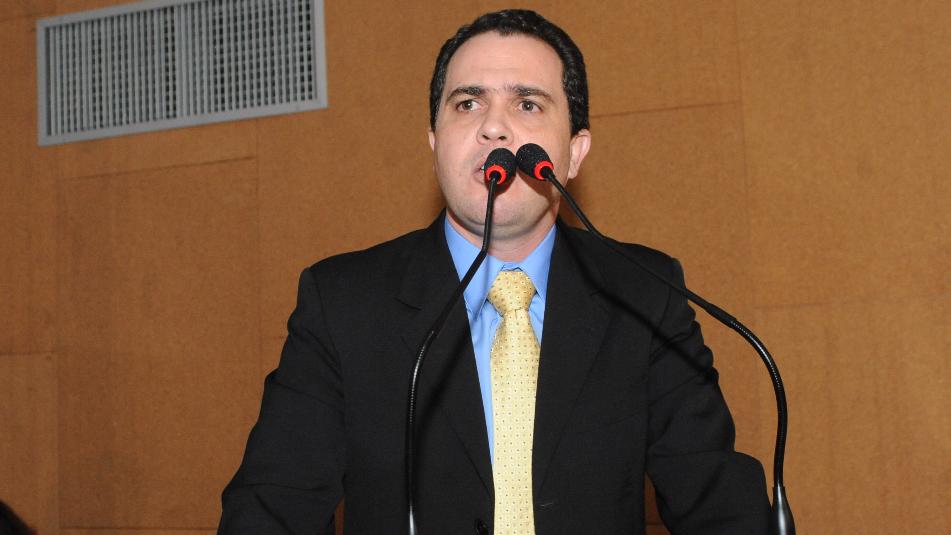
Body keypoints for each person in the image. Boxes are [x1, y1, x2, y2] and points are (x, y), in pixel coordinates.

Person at [219, 9, 769, 534]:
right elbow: (272, 508)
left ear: (574, 152)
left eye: (527, 104)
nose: (494, 128)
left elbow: (720, 503)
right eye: (467, 104)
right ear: (435, 143)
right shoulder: (343, 303)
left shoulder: (644, 294)